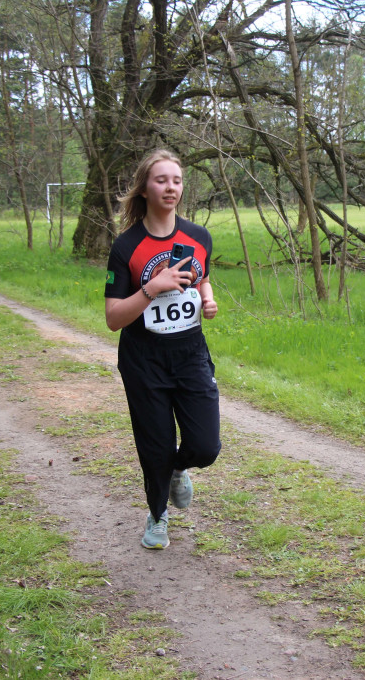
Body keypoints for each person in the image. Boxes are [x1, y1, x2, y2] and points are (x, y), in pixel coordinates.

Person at [104, 148, 221, 550]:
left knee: (206, 446)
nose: (170, 187)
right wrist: (152, 288)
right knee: (154, 445)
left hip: (190, 355)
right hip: (143, 360)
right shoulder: (126, 246)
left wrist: (207, 298)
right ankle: (157, 516)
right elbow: (114, 317)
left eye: (176, 180)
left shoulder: (198, 237)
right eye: (161, 180)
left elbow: (201, 277)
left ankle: (178, 469)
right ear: (144, 188)